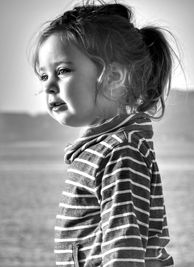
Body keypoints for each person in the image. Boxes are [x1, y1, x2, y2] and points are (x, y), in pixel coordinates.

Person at [31, 1, 176, 266]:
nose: (49, 86)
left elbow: (124, 247)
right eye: (43, 76)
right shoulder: (101, 148)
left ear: (114, 77)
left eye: (63, 71)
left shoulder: (121, 151)